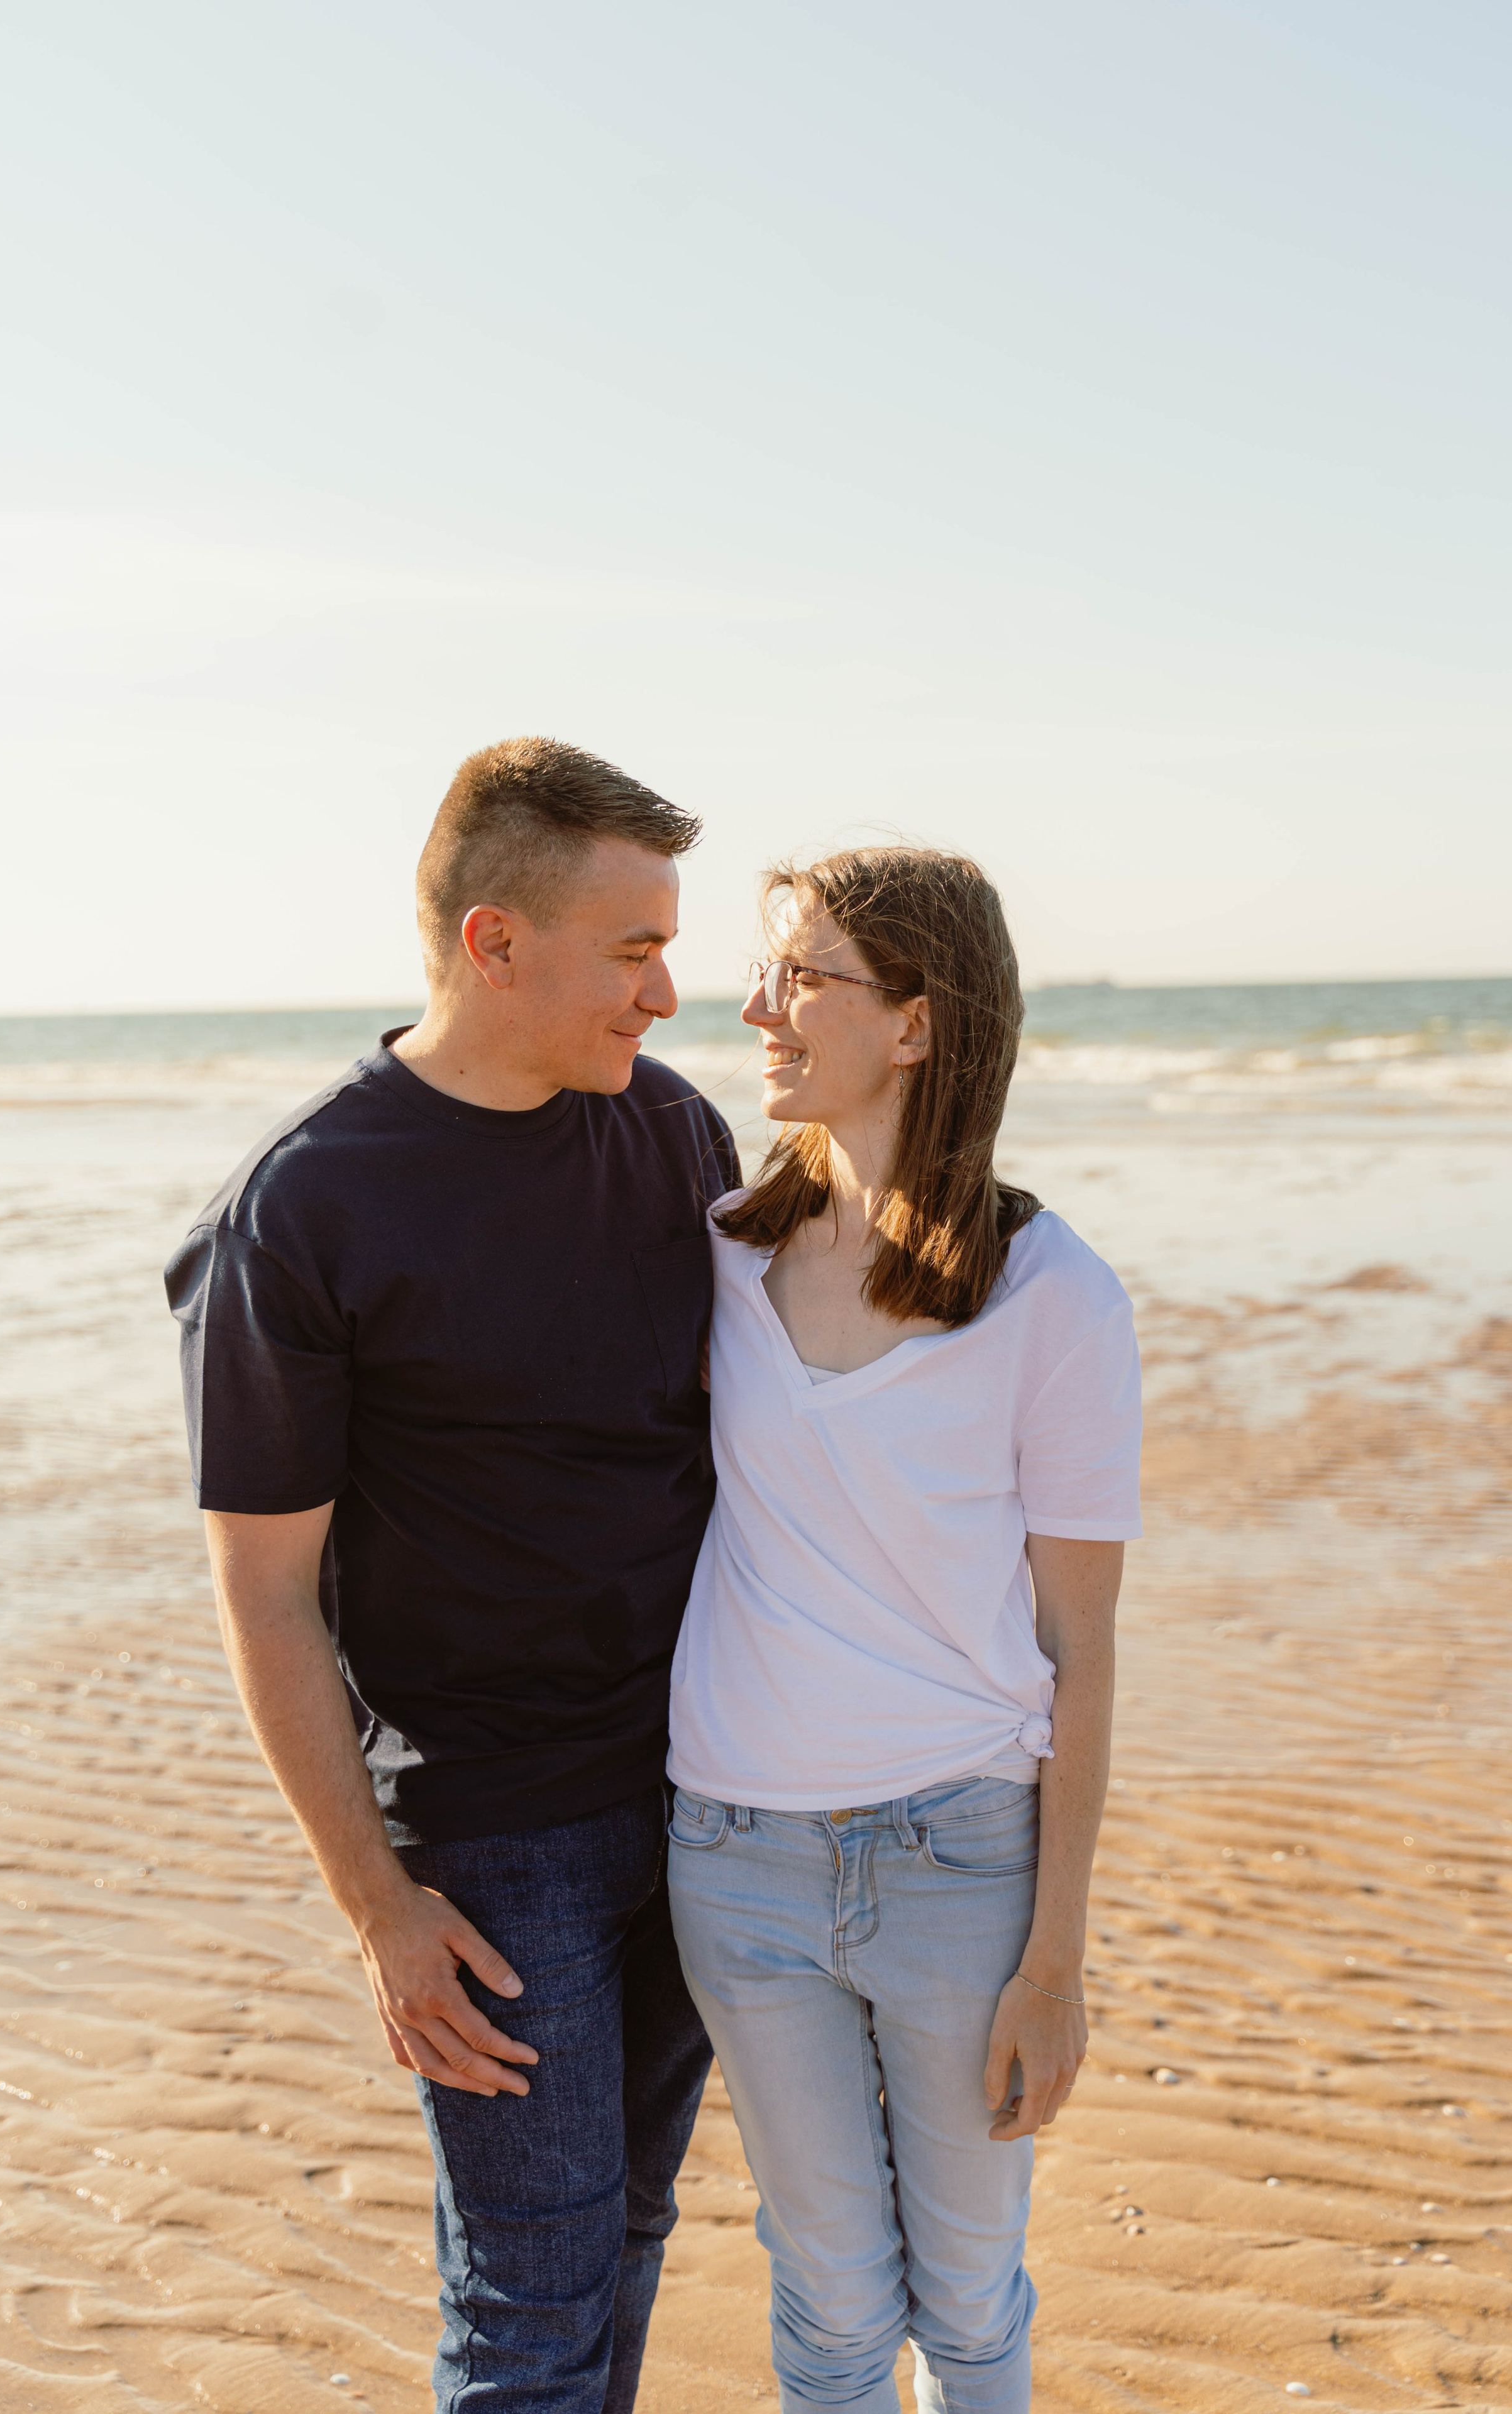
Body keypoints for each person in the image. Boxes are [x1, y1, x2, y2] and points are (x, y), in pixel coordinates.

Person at [165, 738, 740, 2414]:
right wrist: (378, 1910)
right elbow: (264, 1597)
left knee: (628, 2228)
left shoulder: (674, 1135)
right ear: (497, 943)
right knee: (531, 2304)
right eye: (635, 950)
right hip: (501, 1846)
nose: (669, 993)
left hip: (706, 1792)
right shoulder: (307, 1209)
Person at [666, 847, 1141, 2414]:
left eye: (802, 977)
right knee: (824, 2298)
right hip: (734, 1856)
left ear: (918, 1026)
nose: (756, 1009)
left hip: (959, 1858)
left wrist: (1055, 1961)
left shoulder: (1048, 1294)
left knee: (968, 2292)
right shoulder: (719, 1250)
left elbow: (1080, 1644)